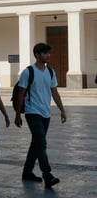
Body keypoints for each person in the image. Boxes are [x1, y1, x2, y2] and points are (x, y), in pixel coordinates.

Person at [15, 43, 66, 188]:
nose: (48, 55)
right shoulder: (28, 72)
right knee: (41, 143)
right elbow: (21, 94)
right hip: (32, 112)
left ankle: (27, 172)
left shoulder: (50, 72)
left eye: (49, 53)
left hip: (46, 113)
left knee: (36, 144)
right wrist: (18, 114)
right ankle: (47, 175)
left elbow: (54, 92)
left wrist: (62, 109)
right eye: (45, 53)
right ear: (37, 55)